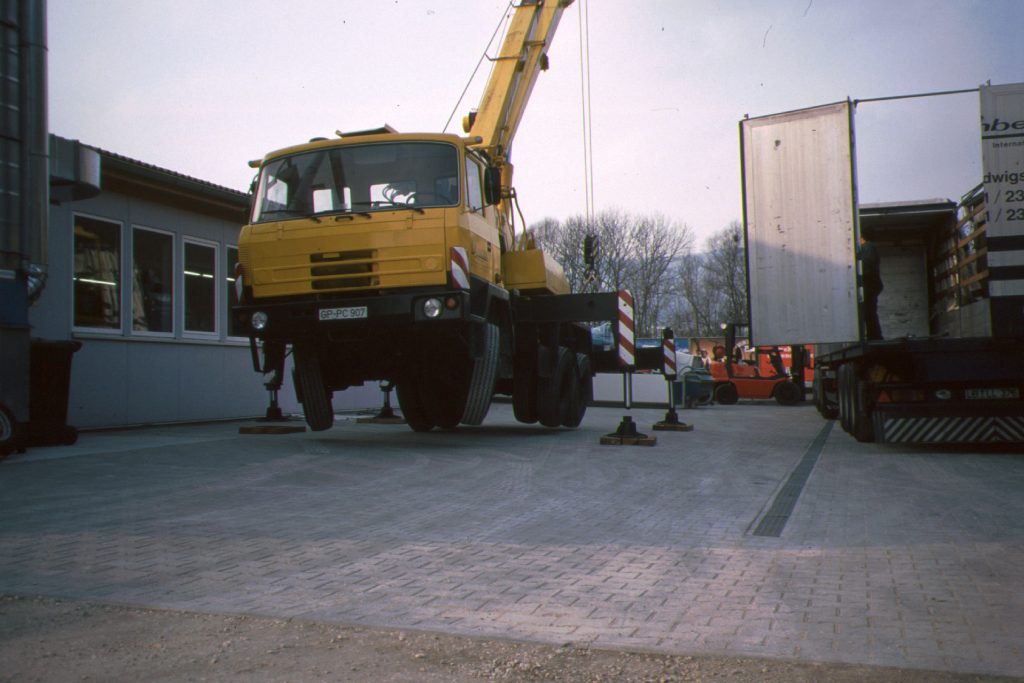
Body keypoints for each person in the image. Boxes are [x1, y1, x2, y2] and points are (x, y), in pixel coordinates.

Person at [859, 235, 883, 340]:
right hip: (871, 285)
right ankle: (874, 336)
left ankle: (875, 336)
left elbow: (866, 265)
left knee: (869, 311)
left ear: (861, 237)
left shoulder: (868, 247)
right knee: (869, 311)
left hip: (869, 285)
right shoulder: (869, 248)